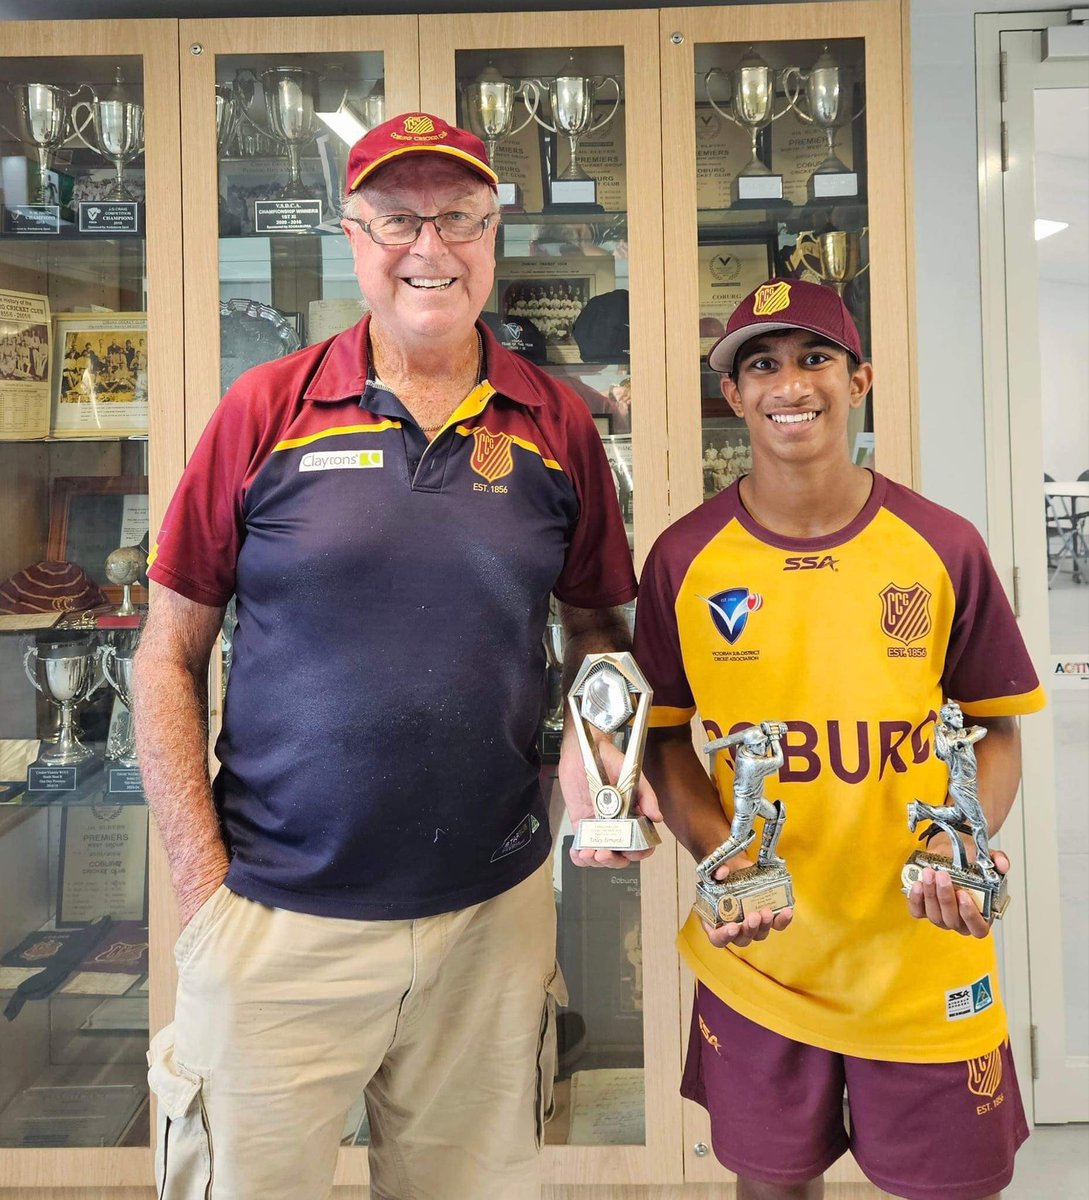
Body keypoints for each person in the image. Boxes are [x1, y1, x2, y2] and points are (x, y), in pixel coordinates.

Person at [134, 112, 658, 1200]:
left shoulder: (556, 421)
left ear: (493, 234)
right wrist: (201, 886)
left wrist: (597, 752)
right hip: (278, 919)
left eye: (459, 217)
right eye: (397, 220)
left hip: (490, 922)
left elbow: (595, 629)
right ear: (353, 237)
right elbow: (166, 654)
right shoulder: (265, 409)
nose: (430, 247)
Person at [634, 278, 1044, 1200]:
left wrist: (958, 844)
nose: (790, 384)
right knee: (772, 1183)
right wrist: (727, 854)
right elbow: (659, 740)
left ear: (858, 379)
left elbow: (996, 728)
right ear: (732, 394)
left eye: (813, 358)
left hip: (920, 948)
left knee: (954, 1187)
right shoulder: (684, 557)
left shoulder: (940, 544)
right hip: (765, 957)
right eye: (761, 365)